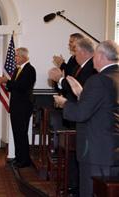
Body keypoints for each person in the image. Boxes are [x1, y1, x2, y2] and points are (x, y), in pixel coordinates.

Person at [53, 40, 119, 197]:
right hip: (112, 148)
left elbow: (81, 114)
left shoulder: (98, 80)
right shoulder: (114, 77)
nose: (93, 59)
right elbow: (104, 106)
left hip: (96, 150)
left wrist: (65, 104)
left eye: (95, 55)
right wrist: (82, 94)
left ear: (102, 56)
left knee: (90, 192)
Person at [0, 47, 36, 168]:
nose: (15, 58)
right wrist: (5, 83)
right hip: (15, 106)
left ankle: (24, 160)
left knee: (21, 133)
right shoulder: (17, 69)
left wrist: (6, 81)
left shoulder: (30, 70)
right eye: (15, 56)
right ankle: (18, 158)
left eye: (17, 56)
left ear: (24, 56)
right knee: (16, 133)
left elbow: (22, 86)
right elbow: (13, 87)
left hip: (23, 107)